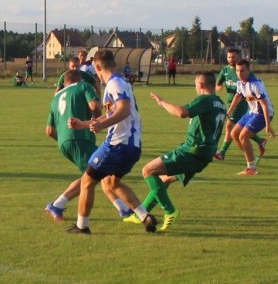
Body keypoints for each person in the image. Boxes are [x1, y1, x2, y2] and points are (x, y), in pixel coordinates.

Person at [66, 50, 156, 234]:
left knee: (87, 182)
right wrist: (84, 124)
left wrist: (102, 125)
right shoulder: (120, 82)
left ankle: (82, 226)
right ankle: (145, 217)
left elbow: (123, 110)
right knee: (112, 183)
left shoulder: (114, 83)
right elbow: (113, 113)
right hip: (133, 146)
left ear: (97, 67)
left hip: (117, 144)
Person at [44, 70, 134, 222]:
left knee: (98, 173)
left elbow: (49, 131)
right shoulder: (83, 85)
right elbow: (94, 105)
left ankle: (123, 209)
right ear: (78, 79)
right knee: (93, 175)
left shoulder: (55, 98)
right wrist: (99, 116)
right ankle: (57, 204)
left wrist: (65, 139)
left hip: (64, 142)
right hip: (80, 138)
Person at [142, 72, 226, 231]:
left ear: (200, 85)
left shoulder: (206, 99)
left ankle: (170, 211)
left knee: (148, 170)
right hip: (206, 153)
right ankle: (140, 213)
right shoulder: (220, 103)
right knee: (164, 179)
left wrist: (162, 102)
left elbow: (181, 112)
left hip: (193, 150)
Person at [214, 49, 267, 161]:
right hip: (230, 102)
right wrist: (218, 87)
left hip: (241, 103)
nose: (231, 59)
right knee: (240, 129)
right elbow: (218, 83)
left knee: (229, 126)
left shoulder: (244, 72)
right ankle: (259, 141)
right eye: (229, 57)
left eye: (233, 57)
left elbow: (252, 87)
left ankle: (222, 152)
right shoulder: (225, 71)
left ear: (239, 57)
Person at [227, 59, 275, 175]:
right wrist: (229, 111)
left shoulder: (255, 84)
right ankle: (253, 158)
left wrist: (268, 126)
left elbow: (264, 105)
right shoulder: (240, 82)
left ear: (248, 71)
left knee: (243, 136)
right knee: (234, 134)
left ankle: (251, 168)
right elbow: (237, 97)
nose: (239, 73)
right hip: (252, 112)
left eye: (242, 70)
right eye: (238, 71)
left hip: (263, 114)